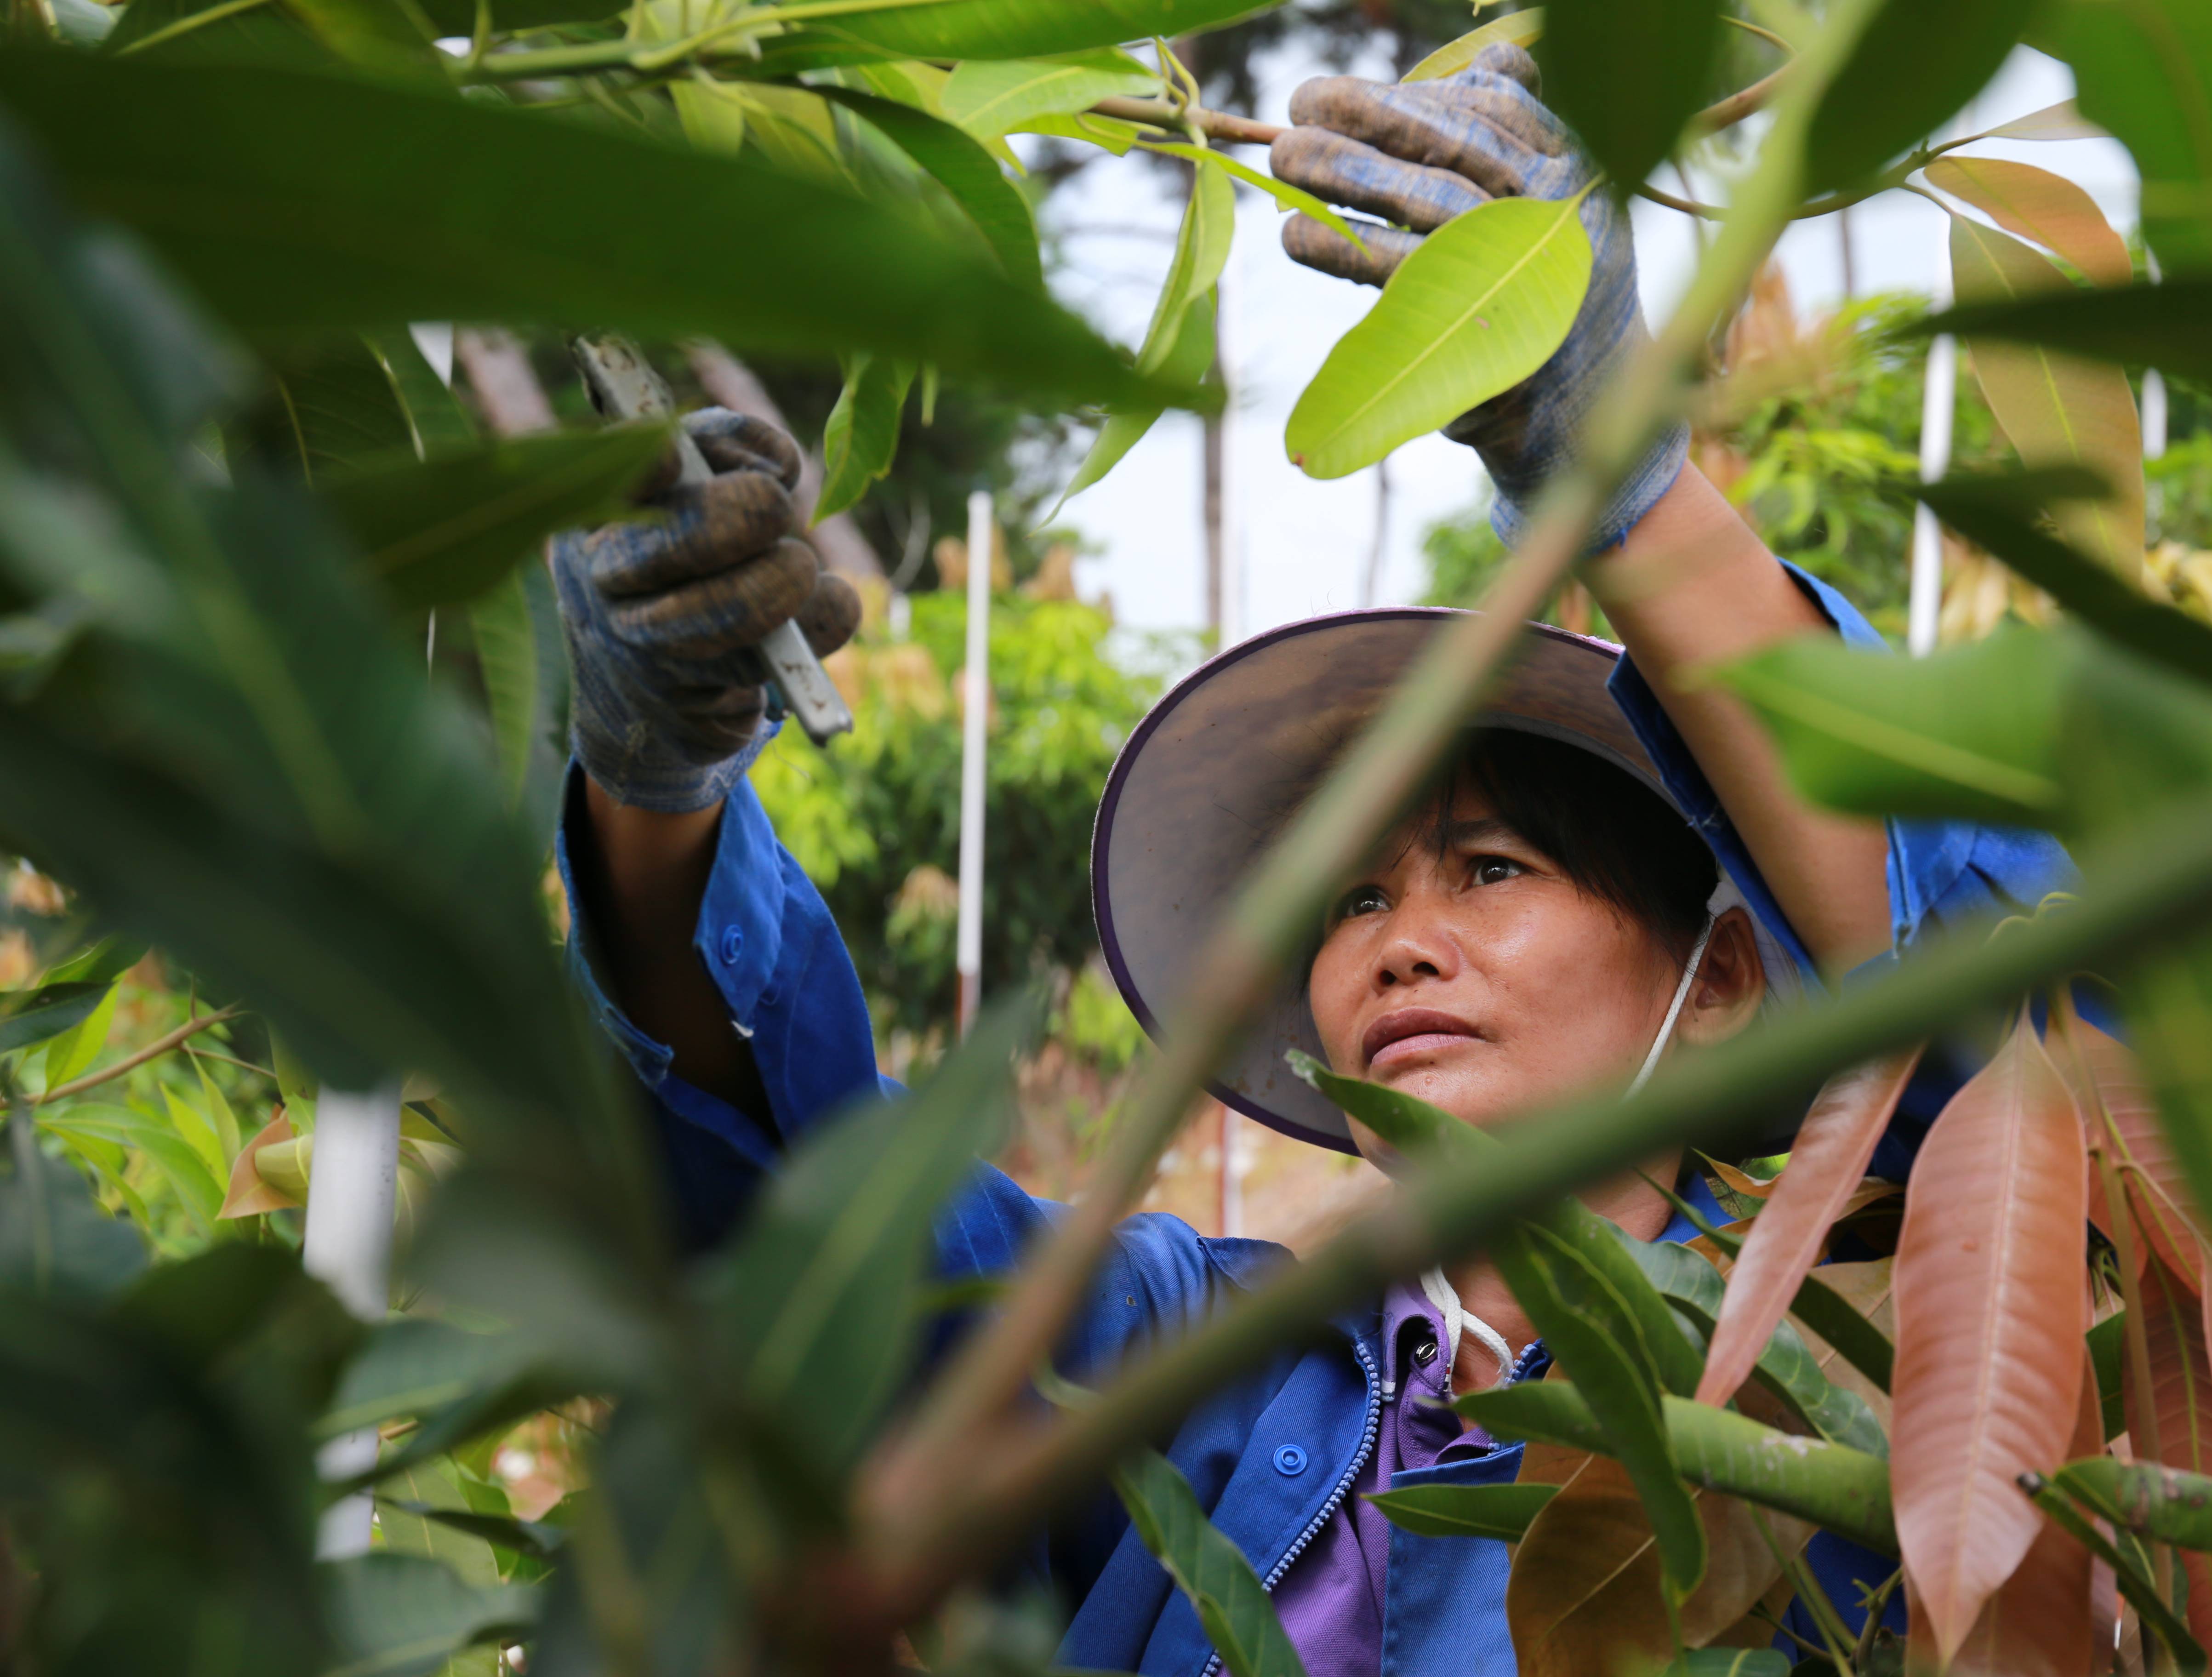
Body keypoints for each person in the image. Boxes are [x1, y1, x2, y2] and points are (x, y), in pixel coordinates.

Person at [550, 44, 2074, 1676]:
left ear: (1719, 978)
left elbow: (2016, 1026)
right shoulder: (1184, 1366)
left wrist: (1617, 478)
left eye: (1489, 869)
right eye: (1354, 898)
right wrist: (665, 786)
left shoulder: (1861, 1383)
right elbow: (821, 1243)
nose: (1399, 944)